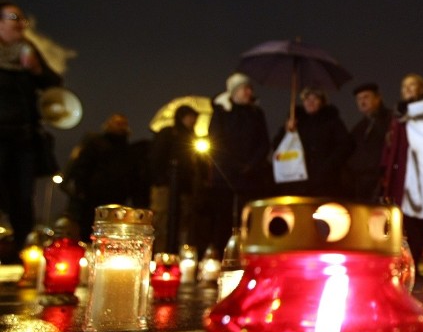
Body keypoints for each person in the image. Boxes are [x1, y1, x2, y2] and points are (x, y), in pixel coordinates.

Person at [0, 0, 63, 261]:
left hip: (23, 138)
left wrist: (36, 68)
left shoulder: (27, 49)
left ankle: (21, 253)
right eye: (14, 17)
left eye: (22, 18)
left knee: (23, 197)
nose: (20, 23)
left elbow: (53, 81)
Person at [202, 73, 272, 253]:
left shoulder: (256, 113)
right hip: (224, 175)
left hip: (251, 175)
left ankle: (247, 253)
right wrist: (232, 165)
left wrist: (251, 165)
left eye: (250, 88)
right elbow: (216, 141)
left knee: (249, 217)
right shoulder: (221, 112)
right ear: (234, 92)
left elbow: (264, 142)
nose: (249, 92)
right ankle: (219, 254)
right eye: (244, 88)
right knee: (222, 217)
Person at [62, 114, 148, 240]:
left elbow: (134, 179)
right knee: (87, 232)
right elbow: (82, 168)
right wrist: (81, 191)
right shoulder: (95, 144)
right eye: (116, 123)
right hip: (92, 200)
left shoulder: (129, 152)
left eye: (122, 123)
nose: (119, 126)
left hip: (117, 201)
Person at [380, 74, 423, 263]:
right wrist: (385, 170)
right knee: (403, 218)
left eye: (413, 85)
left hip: (420, 171)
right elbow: (389, 145)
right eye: (406, 86)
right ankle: (408, 258)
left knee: (420, 218)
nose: (409, 89)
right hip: (400, 172)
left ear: (422, 89)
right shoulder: (397, 115)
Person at [272, 87, 353, 197]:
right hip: (298, 181)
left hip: (325, 181)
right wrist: (286, 132)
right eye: (307, 99)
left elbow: (346, 145)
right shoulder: (296, 121)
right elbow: (277, 146)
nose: (310, 102)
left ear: (322, 101)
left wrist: (328, 165)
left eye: (315, 98)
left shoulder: (331, 121)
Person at [149, 104, 201, 254]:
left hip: (184, 189)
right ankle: (160, 254)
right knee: (162, 221)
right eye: (191, 117)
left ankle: (177, 254)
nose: (193, 121)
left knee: (182, 223)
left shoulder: (192, 138)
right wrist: (162, 179)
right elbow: (156, 158)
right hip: (165, 188)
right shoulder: (169, 133)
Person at [343, 82, 392, 201]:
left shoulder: (390, 120)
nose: (362, 102)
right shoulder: (359, 128)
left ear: (377, 98)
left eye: (366, 97)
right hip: (361, 182)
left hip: (382, 180)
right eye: (359, 99)